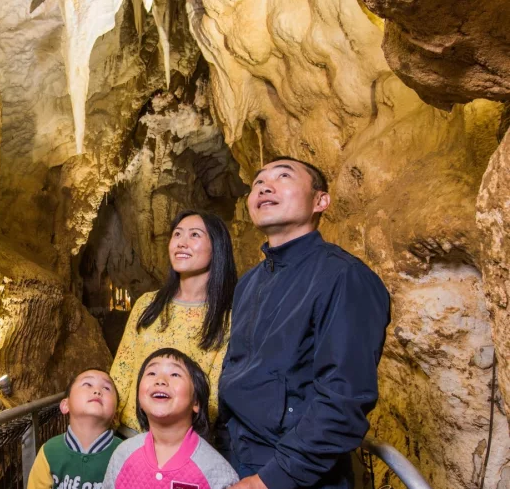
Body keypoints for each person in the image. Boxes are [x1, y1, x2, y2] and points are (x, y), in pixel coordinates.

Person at [219, 157, 391, 489]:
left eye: (283, 176)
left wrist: (271, 479)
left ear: (320, 201)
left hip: (289, 471)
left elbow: (344, 398)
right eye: (258, 182)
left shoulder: (343, 276)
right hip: (237, 456)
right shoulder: (250, 282)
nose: (265, 186)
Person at [110, 209, 237, 434]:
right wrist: (107, 423)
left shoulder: (228, 317)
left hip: (184, 440)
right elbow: (123, 367)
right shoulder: (148, 304)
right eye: (177, 234)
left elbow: (216, 390)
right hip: (129, 435)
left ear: (217, 247)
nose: (181, 243)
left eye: (195, 235)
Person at [102, 348, 239, 489]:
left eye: (175, 374)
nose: (160, 380)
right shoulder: (123, 454)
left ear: (196, 401)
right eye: (151, 373)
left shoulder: (216, 471)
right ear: (139, 400)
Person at [27, 368, 122, 489]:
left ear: (116, 416)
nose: (97, 391)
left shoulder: (126, 454)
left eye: (106, 388)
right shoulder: (49, 452)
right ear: (65, 405)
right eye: (87, 384)